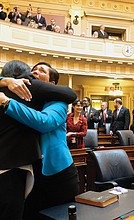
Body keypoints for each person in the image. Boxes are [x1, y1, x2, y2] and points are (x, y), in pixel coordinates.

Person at [0, 60, 77, 220]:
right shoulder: (27, 98)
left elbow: (44, 122)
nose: (35, 72)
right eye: (33, 70)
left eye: (41, 71)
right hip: (31, 171)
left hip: (58, 173)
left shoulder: (58, 102)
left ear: (52, 83)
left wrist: (7, 102)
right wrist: (6, 80)